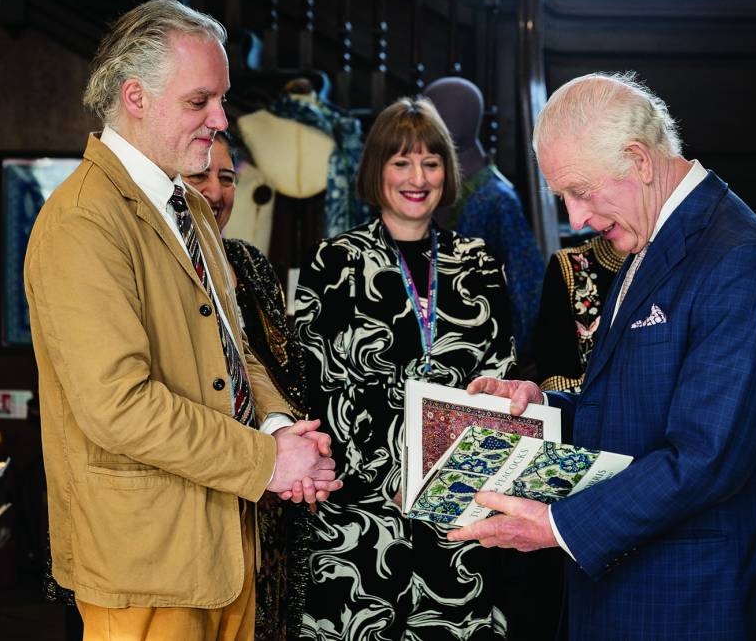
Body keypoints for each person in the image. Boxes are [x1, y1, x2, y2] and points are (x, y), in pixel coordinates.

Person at [448, 72, 756, 640]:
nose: (574, 220)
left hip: (698, 598)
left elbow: (706, 457)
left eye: (580, 191)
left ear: (641, 161)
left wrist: (557, 525)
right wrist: (542, 405)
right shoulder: (650, 237)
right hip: (634, 589)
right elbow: (636, 406)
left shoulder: (739, 259)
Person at [24, 0, 341, 641]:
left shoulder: (186, 205)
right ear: (136, 97)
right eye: (201, 102)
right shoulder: (84, 220)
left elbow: (234, 347)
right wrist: (268, 460)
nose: (221, 120)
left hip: (221, 545)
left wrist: (281, 428)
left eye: (220, 101)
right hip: (143, 563)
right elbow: (118, 404)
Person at [293, 97, 517, 639]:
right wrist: (390, 480)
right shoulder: (333, 262)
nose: (417, 178)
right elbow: (313, 391)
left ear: (448, 170)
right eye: (401, 162)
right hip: (358, 522)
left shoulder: (480, 263)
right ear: (376, 170)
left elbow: (499, 383)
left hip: (458, 520)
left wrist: (443, 485)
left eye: (431, 162)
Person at [186, 129, 312, 641]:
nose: (216, 193)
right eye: (199, 176)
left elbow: (281, 368)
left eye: (227, 178)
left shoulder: (252, 265)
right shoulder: (157, 266)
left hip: (269, 502)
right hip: (195, 491)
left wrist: (289, 433)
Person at [423, 77, 544, 359]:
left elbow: (526, 286)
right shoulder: (427, 185)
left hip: (488, 350)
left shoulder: (498, 198)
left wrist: (520, 357)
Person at [534, 234, 625, 393]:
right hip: (596, 414)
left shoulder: (676, 254)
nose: (578, 222)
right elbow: (556, 379)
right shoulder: (569, 264)